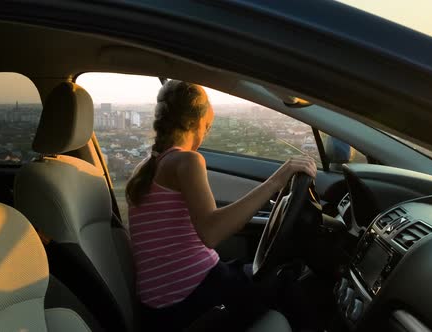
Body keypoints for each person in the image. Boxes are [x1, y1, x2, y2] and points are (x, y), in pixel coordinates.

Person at [126, 80, 317, 331]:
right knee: (287, 280)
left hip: (164, 308)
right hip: (189, 304)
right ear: (196, 123)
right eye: (207, 127)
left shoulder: (147, 167)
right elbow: (212, 232)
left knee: (266, 275)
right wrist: (276, 181)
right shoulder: (187, 161)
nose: (205, 135)